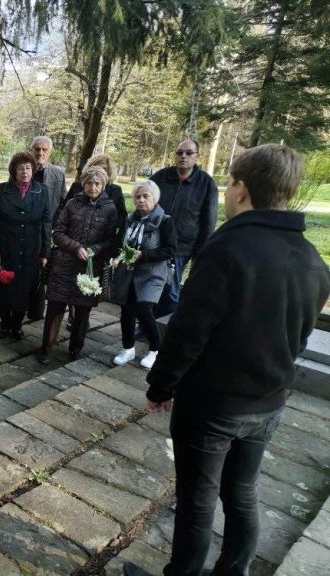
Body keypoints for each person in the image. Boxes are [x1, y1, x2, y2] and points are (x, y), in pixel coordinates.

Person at [124, 144, 330, 576]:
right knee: (242, 492)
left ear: (241, 189)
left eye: (231, 183)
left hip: (214, 405)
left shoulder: (227, 248)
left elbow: (189, 331)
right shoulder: (312, 259)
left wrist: (161, 386)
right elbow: (298, 337)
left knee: (198, 498)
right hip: (270, 402)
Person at [36, 166, 118, 364]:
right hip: (64, 266)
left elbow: (110, 240)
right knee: (55, 309)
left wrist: (93, 250)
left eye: (97, 184)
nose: (93, 187)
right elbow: (58, 232)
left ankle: (75, 349)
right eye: (89, 183)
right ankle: (46, 348)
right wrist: (76, 247)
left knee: (82, 313)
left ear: (103, 185)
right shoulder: (72, 203)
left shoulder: (110, 209)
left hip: (89, 269)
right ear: (83, 184)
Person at [111, 180, 177, 370]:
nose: (141, 200)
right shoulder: (131, 220)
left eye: (145, 196)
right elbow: (121, 242)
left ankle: (155, 350)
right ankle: (128, 348)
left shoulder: (164, 221)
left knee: (144, 309)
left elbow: (170, 250)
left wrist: (144, 255)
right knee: (127, 311)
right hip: (129, 273)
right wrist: (118, 257)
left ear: (155, 198)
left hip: (152, 274)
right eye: (137, 197)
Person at [0, 151, 51, 339]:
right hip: (6, 248)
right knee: (4, 288)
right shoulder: (3, 189)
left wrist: (45, 253)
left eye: (28, 168)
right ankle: (4, 323)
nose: (25, 172)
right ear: (13, 171)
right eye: (20, 168)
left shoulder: (42, 190)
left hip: (30, 250)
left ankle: (17, 324)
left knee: (25, 289)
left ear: (33, 170)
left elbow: (46, 223)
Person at [150, 139, 218, 316]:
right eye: (179, 152)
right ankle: (146, 324)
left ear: (197, 157)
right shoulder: (160, 177)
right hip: (154, 242)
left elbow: (209, 221)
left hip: (181, 248)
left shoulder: (206, 184)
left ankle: (164, 326)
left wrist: (200, 252)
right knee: (149, 286)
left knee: (170, 292)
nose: (183, 156)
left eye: (189, 153)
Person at [60, 154, 127, 331]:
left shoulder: (115, 191)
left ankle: (83, 316)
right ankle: (72, 314)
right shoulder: (77, 186)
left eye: (105, 169)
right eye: (97, 167)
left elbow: (122, 218)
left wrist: (110, 237)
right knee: (72, 280)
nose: (100, 172)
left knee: (90, 283)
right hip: (74, 241)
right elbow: (64, 210)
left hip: (99, 244)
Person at [31, 136, 67, 230]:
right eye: (37, 149)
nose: (40, 153)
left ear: (50, 152)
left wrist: (56, 222)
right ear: (32, 151)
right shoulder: (22, 171)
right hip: (25, 223)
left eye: (45, 150)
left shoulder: (58, 174)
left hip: (48, 224)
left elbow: (63, 201)